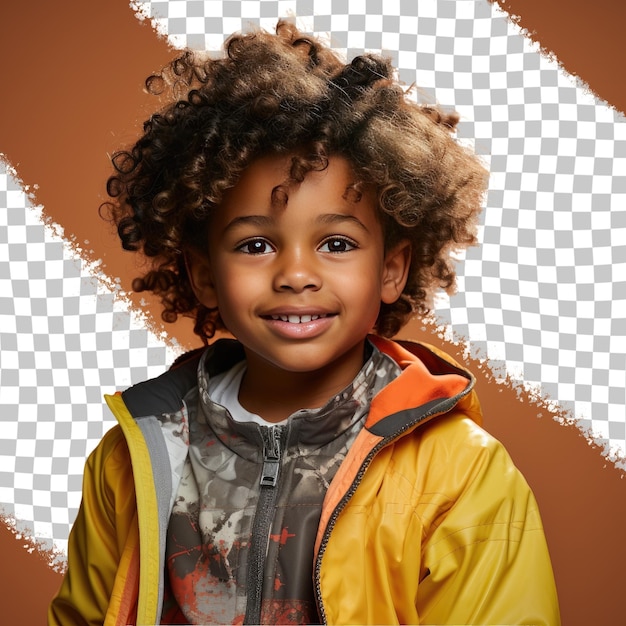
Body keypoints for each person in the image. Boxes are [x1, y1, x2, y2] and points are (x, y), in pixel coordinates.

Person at [48, 19, 560, 626]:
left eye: (337, 244)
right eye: (257, 246)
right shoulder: (132, 459)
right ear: (204, 274)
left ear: (391, 270)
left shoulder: (459, 473)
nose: (296, 273)